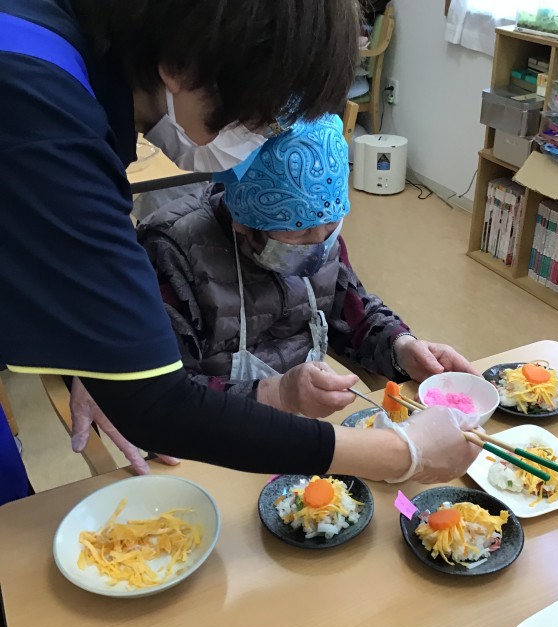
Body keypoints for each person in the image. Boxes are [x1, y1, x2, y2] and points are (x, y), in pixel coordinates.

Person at [0, 0, 480, 495]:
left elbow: (351, 310)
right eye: (264, 118)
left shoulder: (62, 54)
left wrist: (400, 347)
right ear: (184, 65)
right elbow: (156, 403)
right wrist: (400, 453)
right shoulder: (39, 116)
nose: (260, 141)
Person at [132, 114, 477, 424]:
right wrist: (277, 394)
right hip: (209, 435)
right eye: (298, 233)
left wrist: (402, 348)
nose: (319, 245)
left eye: (331, 226)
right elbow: (167, 395)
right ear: (244, 223)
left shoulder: (320, 233)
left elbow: (354, 315)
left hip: (298, 426)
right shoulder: (172, 252)